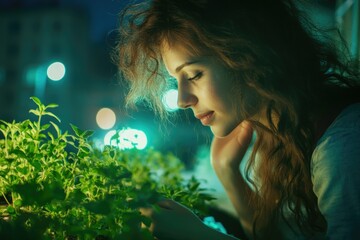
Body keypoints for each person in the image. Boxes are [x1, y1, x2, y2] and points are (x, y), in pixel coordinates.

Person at [115, 0, 360, 239]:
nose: (182, 100)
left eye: (194, 74)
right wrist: (227, 171)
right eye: (176, 80)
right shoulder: (279, 135)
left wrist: (198, 234)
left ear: (248, 55)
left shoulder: (341, 150)